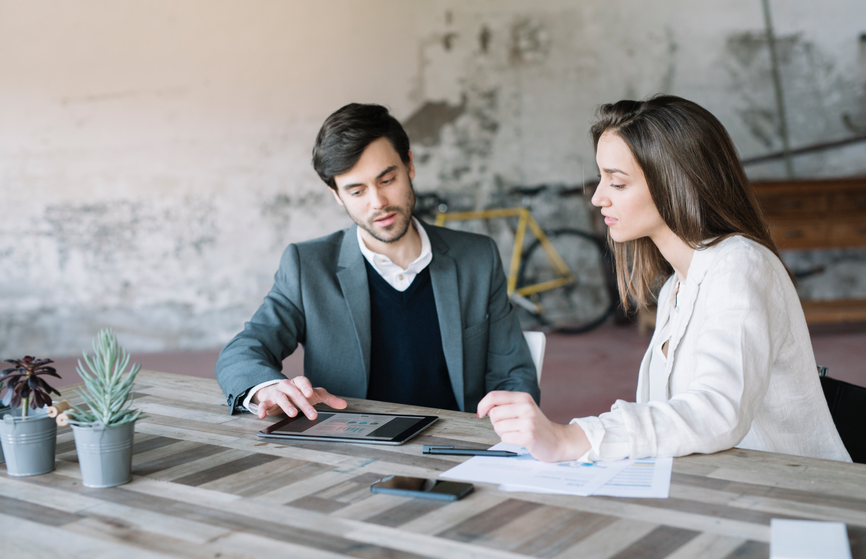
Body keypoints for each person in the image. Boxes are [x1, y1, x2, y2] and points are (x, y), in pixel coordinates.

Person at [477, 95, 851, 463]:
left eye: (617, 183)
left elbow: (717, 411)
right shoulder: (677, 286)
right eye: (600, 178)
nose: (597, 198)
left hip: (795, 499)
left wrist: (573, 438)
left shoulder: (741, 266)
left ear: (676, 184)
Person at [216, 103, 540, 420]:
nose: (379, 203)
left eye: (387, 180)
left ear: (409, 165)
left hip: (452, 456)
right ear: (337, 195)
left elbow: (512, 375)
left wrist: (494, 444)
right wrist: (267, 388)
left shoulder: (477, 258)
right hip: (351, 455)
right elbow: (243, 351)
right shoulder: (307, 266)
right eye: (357, 191)